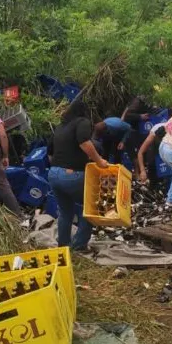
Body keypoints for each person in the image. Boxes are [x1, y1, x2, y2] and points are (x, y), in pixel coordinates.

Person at [47, 100, 109, 251]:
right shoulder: (82, 122)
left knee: (65, 212)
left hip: (53, 174)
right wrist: (99, 161)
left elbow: (49, 152)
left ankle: (63, 246)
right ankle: (79, 245)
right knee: (91, 207)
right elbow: (84, 143)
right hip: (71, 175)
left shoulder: (61, 127)